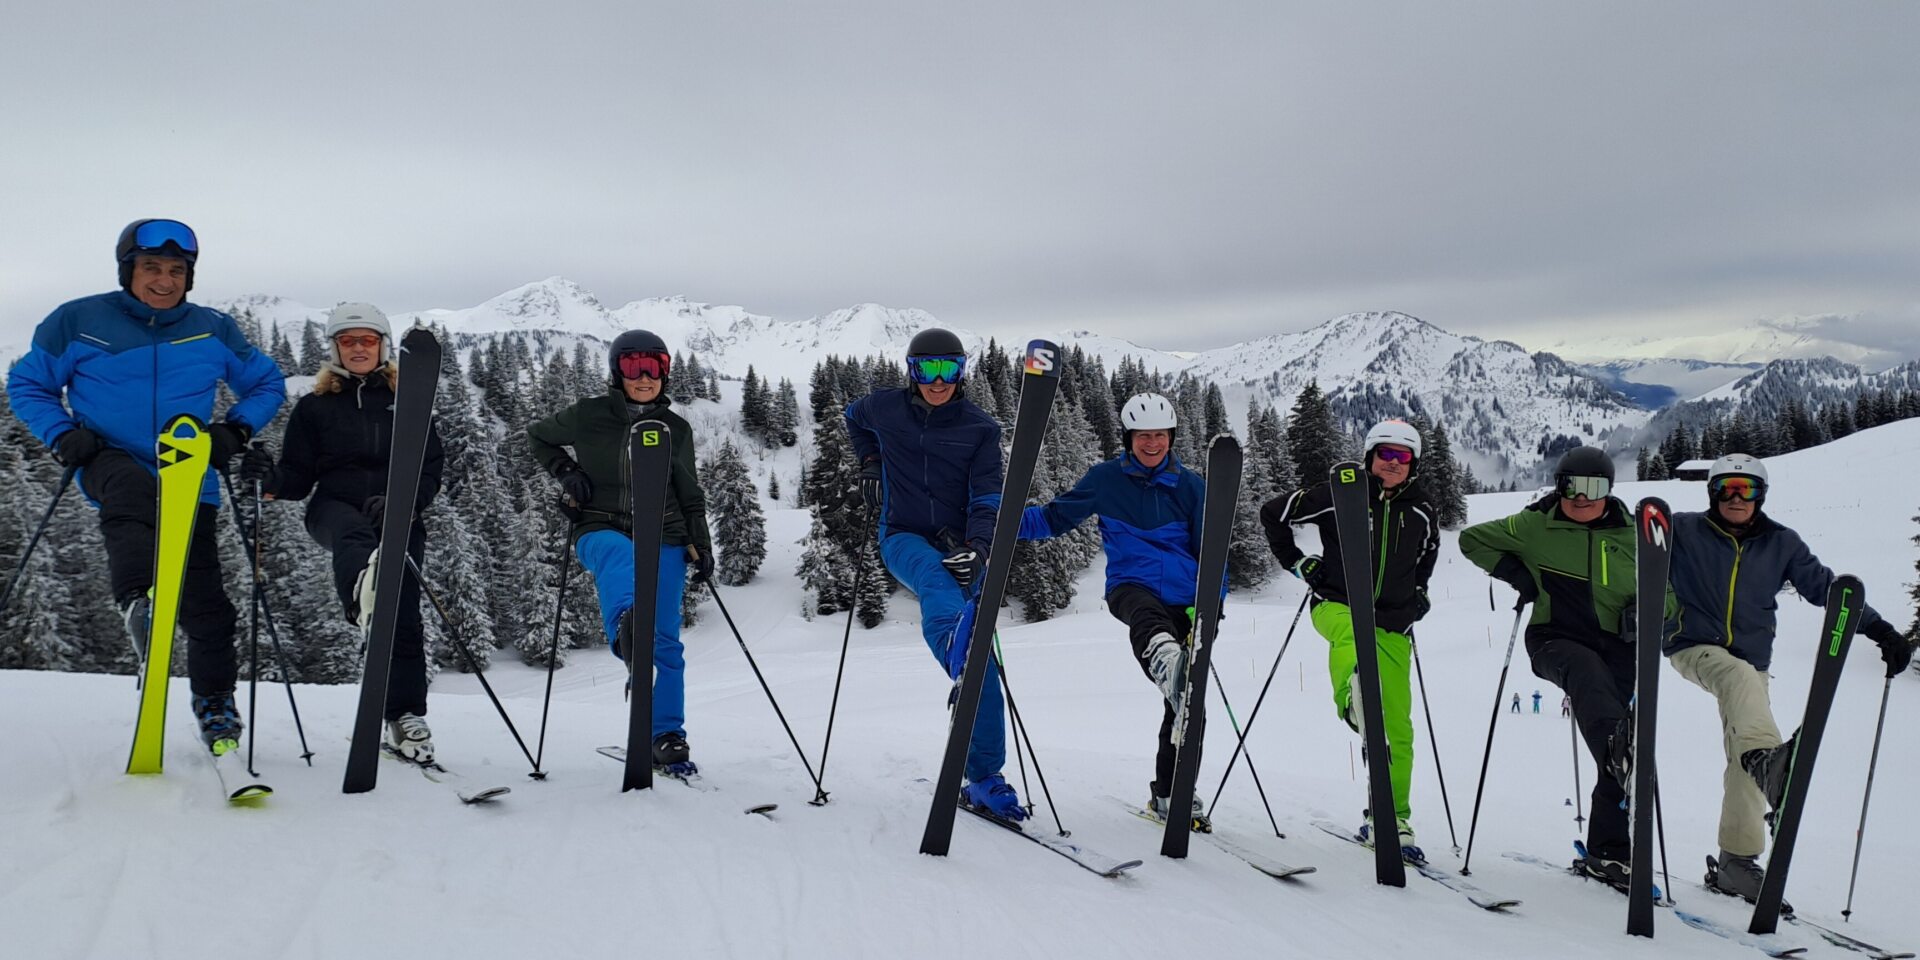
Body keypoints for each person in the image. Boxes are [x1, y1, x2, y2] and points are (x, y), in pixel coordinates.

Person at [6, 219, 286, 752]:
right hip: (108, 455)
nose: (164, 280)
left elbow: (267, 382)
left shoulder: (213, 328)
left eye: (176, 270)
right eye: (151, 267)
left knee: (208, 607)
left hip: (188, 470)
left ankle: (215, 704)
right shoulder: (78, 320)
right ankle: (141, 602)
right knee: (132, 492)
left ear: (189, 277)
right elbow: (28, 383)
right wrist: (62, 433)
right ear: (128, 271)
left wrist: (236, 428)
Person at [1665, 453, 1915, 903]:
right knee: (1753, 720)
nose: (1737, 498)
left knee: (1751, 754)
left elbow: (1827, 589)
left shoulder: (1782, 543)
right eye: (1727, 488)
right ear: (1712, 492)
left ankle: (1736, 862)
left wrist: (1880, 630)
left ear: (1761, 495)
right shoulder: (1684, 530)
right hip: (1693, 647)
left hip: (1753, 662)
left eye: (1748, 489)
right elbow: (1626, 538)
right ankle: (1769, 768)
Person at [1459, 445, 1674, 888]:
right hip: (1555, 640)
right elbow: (1471, 539)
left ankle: (1608, 854)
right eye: (1571, 486)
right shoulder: (1535, 525)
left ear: (1609, 490)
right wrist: (1515, 573)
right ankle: (1622, 752)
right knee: (1588, 677)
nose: (1581, 496)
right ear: (1559, 486)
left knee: (1614, 751)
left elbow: (1667, 592)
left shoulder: (1634, 534)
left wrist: (1654, 612)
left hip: (1621, 647)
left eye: (1593, 487)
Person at [238, 304, 445, 763]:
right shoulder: (315, 408)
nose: (357, 348)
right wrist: (268, 479)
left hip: (398, 516)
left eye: (367, 340)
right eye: (348, 341)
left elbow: (430, 469)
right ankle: (363, 596)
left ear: (382, 347)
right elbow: (296, 477)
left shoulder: (408, 403)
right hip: (333, 507)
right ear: (334, 348)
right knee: (353, 539)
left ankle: (405, 715)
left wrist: (405, 501)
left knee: (405, 614)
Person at [1016, 393, 1219, 829]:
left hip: (1189, 600)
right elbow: (1054, 519)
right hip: (1132, 584)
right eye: (1143, 435)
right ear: (1128, 438)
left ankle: (1169, 795)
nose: (1152, 443)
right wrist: (1000, 519)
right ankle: (1164, 656)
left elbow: (1213, 551)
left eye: (1160, 436)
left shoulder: (1192, 487)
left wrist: (1212, 607)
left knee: (1187, 706)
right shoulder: (1105, 479)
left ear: (1171, 438)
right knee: (1147, 621)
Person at [845, 328, 1024, 820]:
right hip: (901, 534)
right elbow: (851, 418)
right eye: (928, 370)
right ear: (911, 372)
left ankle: (984, 776)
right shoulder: (883, 408)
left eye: (950, 369)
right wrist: (871, 462)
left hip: (960, 543)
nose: (939, 381)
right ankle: (951, 645)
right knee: (937, 586)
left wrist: (980, 548)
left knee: (980, 659)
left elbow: (988, 496)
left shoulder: (979, 429)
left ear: (962, 372)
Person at [527, 329, 713, 770]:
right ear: (617, 372)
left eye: (656, 367)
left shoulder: (675, 428)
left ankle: (665, 735)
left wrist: (700, 543)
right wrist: (566, 473)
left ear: (666, 373)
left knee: (665, 642)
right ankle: (630, 630)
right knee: (622, 558)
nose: (645, 376)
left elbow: (689, 490)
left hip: (665, 534)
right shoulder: (588, 415)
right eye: (634, 366)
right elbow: (538, 436)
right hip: (600, 525)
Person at [1261, 419, 1439, 861]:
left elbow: (1428, 554)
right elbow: (1274, 514)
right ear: (1370, 456)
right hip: (1337, 602)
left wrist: (1419, 593)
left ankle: (1391, 818)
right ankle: (1353, 701)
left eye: (1402, 457)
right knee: (1352, 641)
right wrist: (1299, 564)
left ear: (1412, 464)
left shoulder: (1421, 511)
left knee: (1398, 729)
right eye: (1385, 454)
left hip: (1394, 625)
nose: (1392, 464)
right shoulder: (1339, 494)